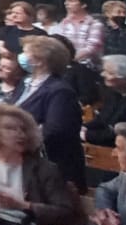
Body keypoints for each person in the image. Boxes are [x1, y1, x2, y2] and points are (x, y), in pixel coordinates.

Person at [18, 34, 85, 190]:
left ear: (40, 60)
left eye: (26, 52)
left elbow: (55, 129)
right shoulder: (25, 83)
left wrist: (19, 136)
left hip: (52, 166)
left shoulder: (60, 90)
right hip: (23, 160)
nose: (21, 56)